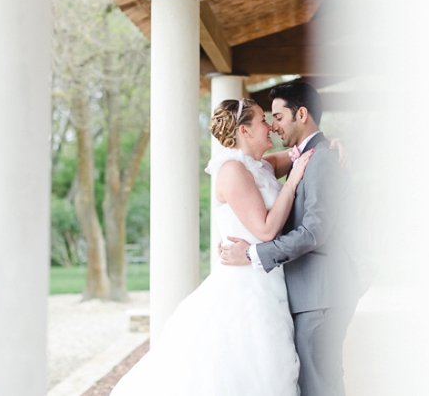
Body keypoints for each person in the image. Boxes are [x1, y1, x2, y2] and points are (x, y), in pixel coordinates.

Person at [109, 97, 318, 396]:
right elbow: (267, 229)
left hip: (269, 279)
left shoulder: (262, 165)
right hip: (246, 286)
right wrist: (293, 181)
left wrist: (332, 145)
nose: (270, 126)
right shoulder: (232, 171)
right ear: (244, 131)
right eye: (262, 120)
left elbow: (305, 150)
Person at [220, 81, 358, 396]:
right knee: (311, 381)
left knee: (319, 384)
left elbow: (313, 232)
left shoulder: (322, 157)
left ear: (302, 114)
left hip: (319, 292)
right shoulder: (286, 160)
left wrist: (252, 254)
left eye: (278, 117)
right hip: (302, 291)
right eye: (266, 120)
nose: (273, 125)